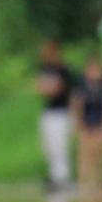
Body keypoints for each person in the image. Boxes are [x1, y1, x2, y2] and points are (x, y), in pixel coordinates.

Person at [32, 40, 74, 191]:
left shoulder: (63, 70)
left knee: (60, 145)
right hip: (48, 111)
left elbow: (57, 89)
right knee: (48, 145)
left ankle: (62, 177)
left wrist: (48, 88)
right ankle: (53, 175)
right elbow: (40, 88)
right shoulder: (44, 69)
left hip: (62, 111)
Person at [71, 54, 102, 192]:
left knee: (99, 153)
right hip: (86, 121)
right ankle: (84, 182)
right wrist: (79, 124)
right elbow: (77, 105)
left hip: (99, 122)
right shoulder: (81, 85)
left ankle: (99, 182)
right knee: (85, 153)